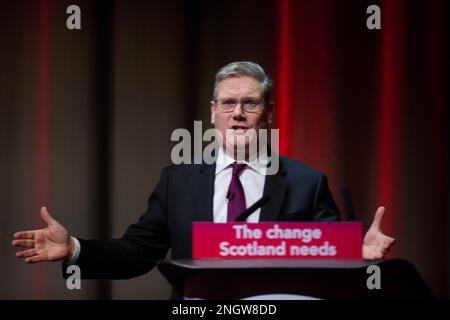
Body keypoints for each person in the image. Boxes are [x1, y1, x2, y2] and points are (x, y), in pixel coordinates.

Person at [12, 61, 395, 280]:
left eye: (250, 103)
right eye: (228, 104)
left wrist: (354, 254)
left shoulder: (306, 183)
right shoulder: (177, 180)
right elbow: (137, 253)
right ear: (212, 113)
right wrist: (74, 250)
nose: (238, 114)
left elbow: (324, 262)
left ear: (269, 113)